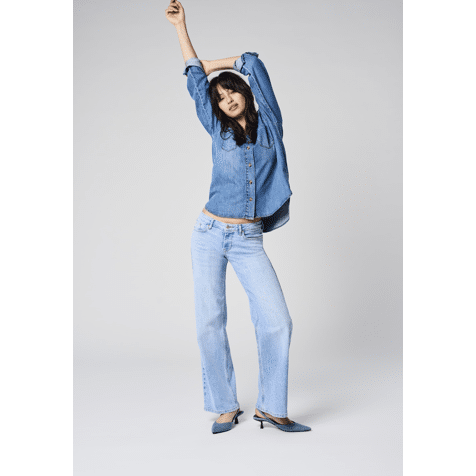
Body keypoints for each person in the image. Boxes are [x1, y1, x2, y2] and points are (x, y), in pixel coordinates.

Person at [165, 0, 311, 434]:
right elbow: (195, 81)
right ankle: (225, 405)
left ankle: (272, 407)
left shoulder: (270, 126)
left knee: (277, 320)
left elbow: (253, 63)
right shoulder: (216, 128)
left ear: (245, 93)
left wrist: (221, 65)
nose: (226, 99)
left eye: (232, 91)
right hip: (208, 232)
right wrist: (182, 27)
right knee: (209, 322)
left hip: (248, 239)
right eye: (220, 97)